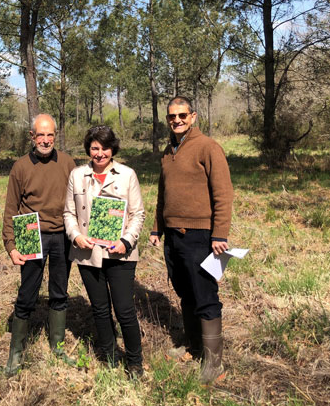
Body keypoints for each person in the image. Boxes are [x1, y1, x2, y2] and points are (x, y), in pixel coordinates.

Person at [149, 96, 233, 384]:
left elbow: (223, 193)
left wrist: (219, 234)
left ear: (193, 116)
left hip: (200, 236)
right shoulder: (168, 150)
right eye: (172, 116)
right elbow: (164, 195)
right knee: (184, 292)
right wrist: (157, 228)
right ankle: (194, 346)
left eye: (182, 115)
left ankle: (214, 364)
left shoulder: (208, 148)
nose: (177, 120)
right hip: (173, 236)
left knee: (205, 296)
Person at [64, 126, 145, 375]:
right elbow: (68, 213)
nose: (99, 154)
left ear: (113, 149)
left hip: (120, 254)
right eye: (95, 148)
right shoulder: (77, 175)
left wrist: (126, 241)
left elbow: (137, 214)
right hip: (89, 253)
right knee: (99, 308)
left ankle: (134, 361)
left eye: (105, 148)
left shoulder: (127, 175)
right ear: (89, 148)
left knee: (124, 309)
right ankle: (109, 356)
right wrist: (76, 236)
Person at [2, 114, 76, 375]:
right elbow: (11, 208)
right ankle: (16, 353)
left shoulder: (67, 162)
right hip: (30, 234)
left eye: (50, 135)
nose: (45, 140)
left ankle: (57, 346)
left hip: (61, 236)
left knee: (60, 291)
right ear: (31, 136)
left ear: (55, 136)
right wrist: (11, 245)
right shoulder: (20, 167)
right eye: (40, 135)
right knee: (27, 293)